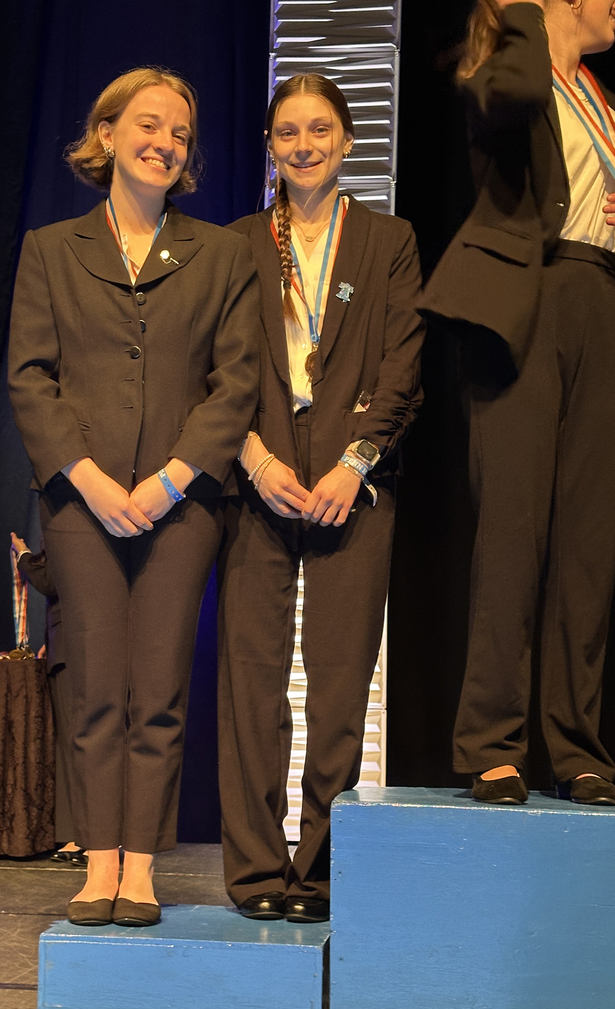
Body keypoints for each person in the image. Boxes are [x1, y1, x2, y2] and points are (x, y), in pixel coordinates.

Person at [8, 68, 259, 926]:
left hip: (180, 505)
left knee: (157, 687)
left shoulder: (221, 253)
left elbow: (235, 385)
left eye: (181, 133)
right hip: (80, 503)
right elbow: (30, 379)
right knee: (96, 688)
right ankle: (98, 858)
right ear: (106, 132)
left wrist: (165, 482)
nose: (165, 142)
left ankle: (142, 864)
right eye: (148, 124)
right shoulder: (50, 247)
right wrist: (86, 478)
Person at [217, 74, 424, 923]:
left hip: (353, 486)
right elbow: (212, 373)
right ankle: (257, 874)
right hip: (255, 479)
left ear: (346, 142)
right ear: (270, 146)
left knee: (340, 687)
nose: (302, 145)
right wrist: (256, 461)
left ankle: (321, 872)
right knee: (251, 685)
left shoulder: (387, 239)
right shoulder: (234, 244)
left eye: (319, 130)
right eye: (287, 132)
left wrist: (354, 463)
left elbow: (404, 364)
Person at [422, 0, 615, 805]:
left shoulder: (602, 99)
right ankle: (491, 743)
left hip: (598, 298)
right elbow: (515, 99)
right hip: (523, 303)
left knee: (586, 540)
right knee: (511, 527)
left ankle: (576, 747)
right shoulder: (509, 67)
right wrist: (532, 15)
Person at [10, 532, 85, 866]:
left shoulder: (70, 528)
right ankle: (89, 835)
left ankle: (82, 838)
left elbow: (50, 579)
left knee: (77, 745)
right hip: (75, 645)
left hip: (75, 649)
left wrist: (23, 555)